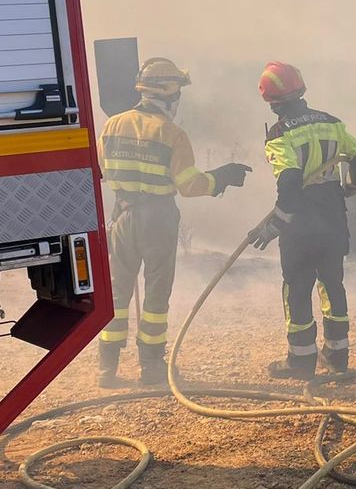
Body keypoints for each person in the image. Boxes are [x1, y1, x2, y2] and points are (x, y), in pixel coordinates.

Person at [97, 57, 250, 387]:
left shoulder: (111, 126)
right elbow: (190, 185)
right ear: (166, 94)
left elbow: (102, 170)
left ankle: (106, 368)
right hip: (158, 219)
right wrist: (222, 177)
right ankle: (151, 366)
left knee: (117, 292)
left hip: (121, 216)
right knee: (155, 294)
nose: (178, 101)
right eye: (177, 93)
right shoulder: (172, 134)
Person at [251, 62, 356, 379]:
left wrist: (275, 225)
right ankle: (337, 355)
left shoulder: (280, 134)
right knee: (332, 283)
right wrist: (350, 184)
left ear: (272, 101)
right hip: (333, 216)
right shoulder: (331, 122)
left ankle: (301, 361)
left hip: (301, 222)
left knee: (297, 287)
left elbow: (290, 181)